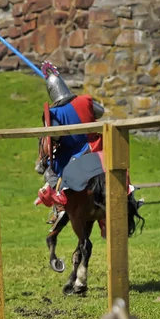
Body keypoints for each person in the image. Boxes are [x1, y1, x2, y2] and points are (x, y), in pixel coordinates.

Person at [35, 61, 105, 232]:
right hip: (95, 149)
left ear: (51, 93)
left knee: (49, 172)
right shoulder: (84, 100)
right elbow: (100, 112)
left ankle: (59, 208)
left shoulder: (54, 113)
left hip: (73, 156)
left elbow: (56, 136)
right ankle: (129, 197)